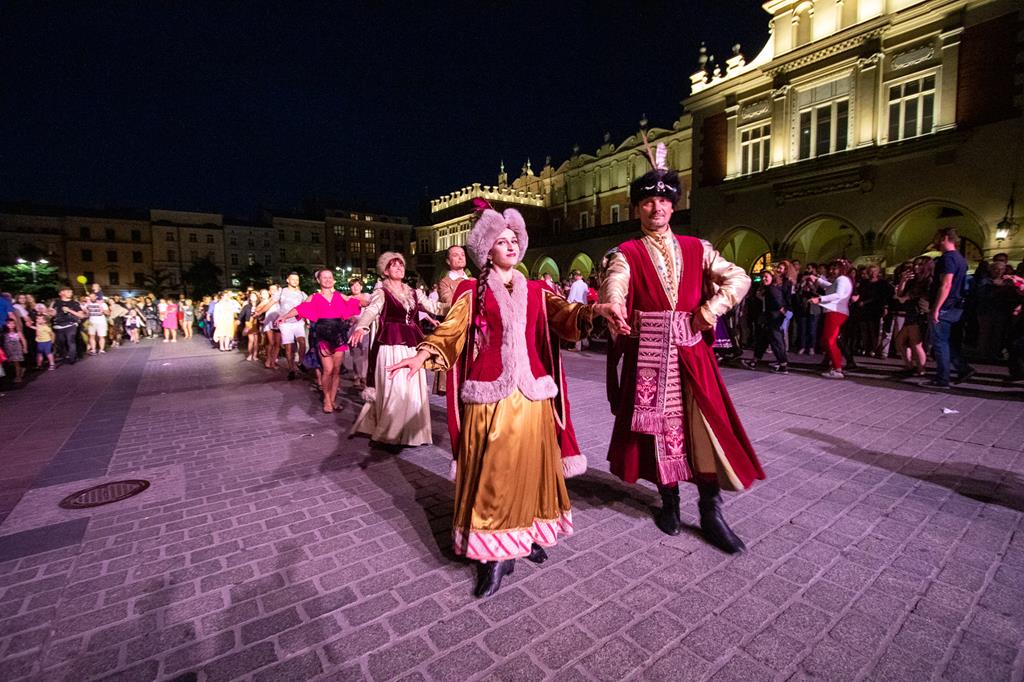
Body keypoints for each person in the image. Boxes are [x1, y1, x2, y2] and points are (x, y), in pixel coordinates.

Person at [387, 200, 624, 597]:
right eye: (502, 240)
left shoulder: (538, 290)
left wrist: (597, 309)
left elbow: (568, 316)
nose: (511, 245)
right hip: (490, 395)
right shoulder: (470, 291)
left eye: (515, 239)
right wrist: (423, 353)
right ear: (487, 250)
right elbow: (451, 331)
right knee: (493, 474)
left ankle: (524, 535)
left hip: (533, 396)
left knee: (531, 468)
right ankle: (493, 555)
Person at [599, 136, 763, 553]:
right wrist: (614, 305)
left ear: (673, 206)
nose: (656, 208)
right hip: (650, 355)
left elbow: (739, 277)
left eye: (663, 201)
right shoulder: (626, 253)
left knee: (705, 427)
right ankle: (669, 501)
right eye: (648, 202)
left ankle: (711, 509)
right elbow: (616, 284)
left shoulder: (697, 248)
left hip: (692, 351)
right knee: (657, 430)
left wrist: (711, 309)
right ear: (637, 208)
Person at [348, 253, 441, 448]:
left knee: (412, 388)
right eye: (394, 265)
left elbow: (435, 307)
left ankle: (412, 433)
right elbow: (372, 310)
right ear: (385, 271)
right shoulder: (382, 292)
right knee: (395, 388)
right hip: (390, 344)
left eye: (401, 265)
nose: (399, 268)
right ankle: (389, 434)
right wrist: (361, 326)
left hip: (412, 345)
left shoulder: (414, 292)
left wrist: (461, 304)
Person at [277, 269, 363, 412]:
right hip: (323, 335)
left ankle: (333, 400)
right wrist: (284, 316)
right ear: (318, 280)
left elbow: (356, 302)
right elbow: (300, 309)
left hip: (339, 335)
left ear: (334, 280)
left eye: (330, 277)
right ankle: (326, 399)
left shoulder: (339, 296)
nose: (328, 280)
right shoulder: (314, 297)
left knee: (336, 370)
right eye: (324, 277)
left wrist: (373, 301)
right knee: (327, 370)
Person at [928, 228, 975, 388]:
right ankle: (963, 368)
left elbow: (946, 284)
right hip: (956, 305)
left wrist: (936, 308)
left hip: (945, 305)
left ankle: (942, 379)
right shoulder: (960, 259)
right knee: (946, 341)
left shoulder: (947, 258)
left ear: (945, 238)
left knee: (940, 343)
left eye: (937, 238)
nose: (934, 241)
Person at [808, 260, 854, 379]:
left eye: (835, 268)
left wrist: (819, 299)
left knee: (830, 340)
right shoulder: (842, 280)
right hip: (835, 312)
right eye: (831, 269)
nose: (832, 271)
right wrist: (818, 280)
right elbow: (831, 287)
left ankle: (837, 368)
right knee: (827, 340)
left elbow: (838, 294)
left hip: (836, 312)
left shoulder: (842, 279)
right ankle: (835, 366)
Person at [893, 258, 933, 377]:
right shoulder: (913, 280)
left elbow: (910, 297)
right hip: (910, 312)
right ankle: (910, 366)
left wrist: (905, 298)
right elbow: (900, 294)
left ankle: (921, 369)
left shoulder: (928, 280)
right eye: (915, 265)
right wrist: (903, 280)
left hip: (919, 312)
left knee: (915, 343)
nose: (916, 267)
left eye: (919, 265)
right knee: (900, 341)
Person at [742, 270, 789, 373]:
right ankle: (754, 362)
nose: (764, 279)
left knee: (776, 342)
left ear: (772, 277)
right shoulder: (769, 288)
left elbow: (779, 303)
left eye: (766, 276)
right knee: (762, 341)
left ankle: (783, 365)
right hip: (769, 319)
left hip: (773, 320)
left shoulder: (772, 289)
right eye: (762, 277)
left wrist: (783, 315)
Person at [278, 273, 309, 381]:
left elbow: (307, 307)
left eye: (297, 279)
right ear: (287, 280)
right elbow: (271, 302)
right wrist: (259, 312)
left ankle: (300, 362)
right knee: (289, 348)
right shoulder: (281, 291)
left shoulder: (302, 294)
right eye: (293, 279)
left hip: (298, 322)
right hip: (285, 323)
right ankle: (291, 369)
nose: (295, 281)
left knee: (302, 342)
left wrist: (308, 319)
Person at [347, 278, 370, 390]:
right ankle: (357, 376)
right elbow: (344, 313)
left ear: (361, 287)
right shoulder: (348, 299)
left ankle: (364, 376)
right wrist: (349, 317)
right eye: (353, 285)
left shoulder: (368, 296)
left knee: (365, 354)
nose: (355, 287)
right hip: (353, 329)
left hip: (366, 329)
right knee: (356, 354)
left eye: (357, 285)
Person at [436, 245, 469, 311]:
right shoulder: (444, 283)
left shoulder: (473, 280)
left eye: (463, 255)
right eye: (455, 255)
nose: (460, 258)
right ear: (448, 261)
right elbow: (451, 304)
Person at [566, 270, 589, 351]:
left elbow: (571, 297)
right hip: (584, 306)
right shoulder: (585, 285)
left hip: (577, 306)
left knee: (577, 326)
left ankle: (577, 346)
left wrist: (567, 304)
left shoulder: (575, 284)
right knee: (583, 326)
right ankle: (585, 343)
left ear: (575, 276)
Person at [3, 318, 28, 383]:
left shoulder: (18, 332)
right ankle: (21, 370)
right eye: (9, 324)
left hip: (16, 350)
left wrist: (25, 348)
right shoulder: (4, 333)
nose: (11, 325)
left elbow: (23, 340)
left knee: (16, 363)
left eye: (13, 323)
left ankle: (18, 377)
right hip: (8, 350)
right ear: (6, 324)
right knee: (11, 363)